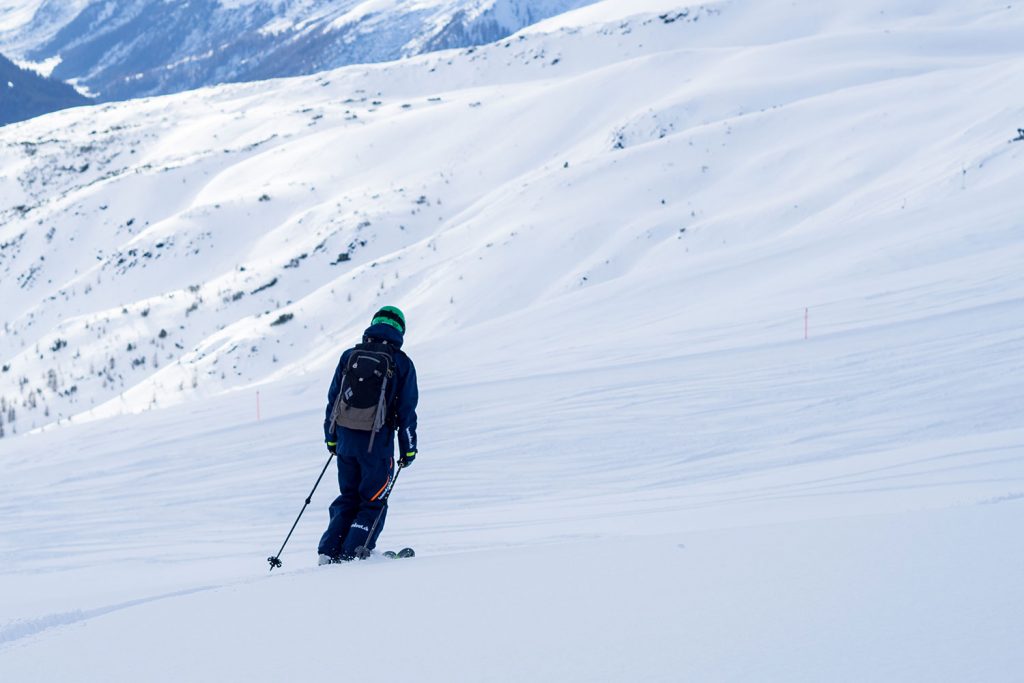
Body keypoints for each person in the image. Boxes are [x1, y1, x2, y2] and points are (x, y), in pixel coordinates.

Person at [317, 306, 418, 563]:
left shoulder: (349, 356)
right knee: (373, 500)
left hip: (345, 442)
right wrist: (408, 449)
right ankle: (353, 555)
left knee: (348, 497)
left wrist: (331, 438)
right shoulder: (402, 362)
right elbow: (407, 411)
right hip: (377, 446)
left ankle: (328, 552)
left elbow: (333, 400)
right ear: (400, 331)